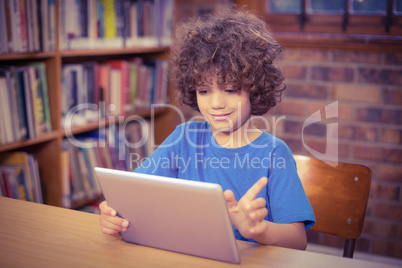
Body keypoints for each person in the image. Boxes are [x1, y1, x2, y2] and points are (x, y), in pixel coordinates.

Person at [99, 5, 315, 250]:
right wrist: (113, 213)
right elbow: (133, 193)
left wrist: (259, 230)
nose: (215, 104)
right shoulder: (184, 137)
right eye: (204, 90)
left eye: (230, 89)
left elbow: (298, 240)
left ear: (254, 90)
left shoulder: (274, 153)